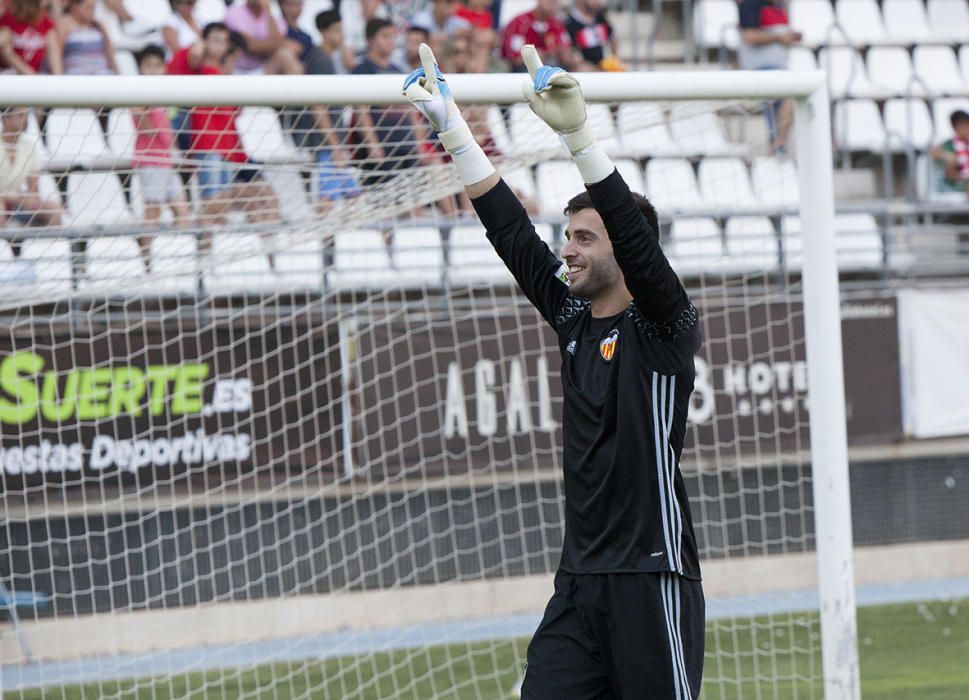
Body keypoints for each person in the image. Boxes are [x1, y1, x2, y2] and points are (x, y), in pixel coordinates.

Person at [404, 43, 704, 698]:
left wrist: (578, 137)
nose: (565, 249)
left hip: (651, 578)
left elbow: (628, 229)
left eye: (583, 238)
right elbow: (511, 235)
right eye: (566, 235)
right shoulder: (573, 319)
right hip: (578, 584)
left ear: (625, 250)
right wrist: (453, 130)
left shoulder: (664, 330)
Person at [187, 27, 280, 232]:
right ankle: (205, 255)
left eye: (223, 41)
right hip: (208, 148)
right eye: (215, 40)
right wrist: (202, 42)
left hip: (227, 150)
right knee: (211, 204)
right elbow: (194, 55)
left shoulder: (227, 79)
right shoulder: (198, 70)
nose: (220, 45)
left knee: (222, 207)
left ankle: (215, 257)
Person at [132, 44, 191, 266]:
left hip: (166, 161)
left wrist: (175, 151)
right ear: (141, 68)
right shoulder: (139, 95)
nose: (153, 70)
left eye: (157, 65)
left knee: (182, 211)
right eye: (148, 65)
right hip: (151, 161)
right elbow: (145, 125)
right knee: (153, 213)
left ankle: (179, 260)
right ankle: (145, 261)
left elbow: (167, 129)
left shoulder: (165, 95)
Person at [738, 0, 801, 154]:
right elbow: (749, 36)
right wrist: (779, 38)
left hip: (779, 70)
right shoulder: (751, 5)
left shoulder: (780, 8)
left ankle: (777, 144)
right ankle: (777, 145)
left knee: (792, 98)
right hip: (759, 70)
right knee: (789, 96)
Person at [0, 107, 64, 253]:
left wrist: (31, 198)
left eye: (26, 115)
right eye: (20, 116)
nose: (25, 120)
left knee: (54, 209)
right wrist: (18, 200)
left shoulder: (28, 147)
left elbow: (33, 189)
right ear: (5, 119)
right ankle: (5, 260)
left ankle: (49, 256)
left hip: (16, 201)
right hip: (7, 202)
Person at [500, 0, 588, 72]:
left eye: (556, 2)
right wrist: (540, 55)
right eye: (549, 1)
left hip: (556, 69)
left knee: (583, 69)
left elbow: (567, 51)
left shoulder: (557, 24)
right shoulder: (520, 23)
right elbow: (514, 59)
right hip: (525, 71)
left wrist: (566, 55)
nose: (553, 5)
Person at [224, 0, 301, 74]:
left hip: (262, 69)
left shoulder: (276, 19)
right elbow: (251, 46)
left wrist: (268, 10)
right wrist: (278, 44)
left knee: (285, 54)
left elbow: (277, 41)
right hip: (238, 71)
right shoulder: (234, 12)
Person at [47, 0, 118, 76]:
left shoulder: (99, 26)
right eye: (88, 8)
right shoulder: (63, 25)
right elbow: (56, 56)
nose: (91, 12)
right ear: (74, 6)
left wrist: (117, 76)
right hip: (77, 76)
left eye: (93, 8)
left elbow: (110, 55)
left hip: (102, 75)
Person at [0, 0, 56, 75]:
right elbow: (6, 52)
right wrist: (32, 77)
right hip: (11, 76)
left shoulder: (45, 22)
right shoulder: (8, 20)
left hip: (34, 77)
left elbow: (56, 64)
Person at [564, 0, 623, 71]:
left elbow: (613, 37)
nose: (599, 2)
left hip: (602, 70)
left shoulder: (600, 18)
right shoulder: (568, 24)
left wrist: (614, 59)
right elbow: (570, 58)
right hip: (584, 75)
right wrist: (594, 69)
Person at [930, 110, 969, 197]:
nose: (966, 129)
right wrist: (948, 157)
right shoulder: (949, 145)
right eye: (962, 126)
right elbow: (950, 172)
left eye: (967, 125)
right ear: (954, 128)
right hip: (953, 186)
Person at [316, 8, 353, 73]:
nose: (342, 35)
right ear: (323, 32)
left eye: (342, 30)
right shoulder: (319, 60)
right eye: (337, 30)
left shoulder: (340, 56)